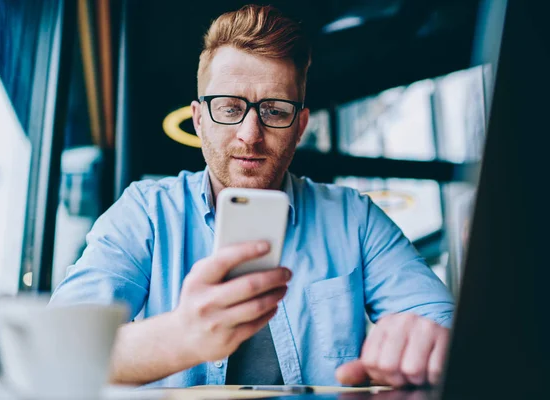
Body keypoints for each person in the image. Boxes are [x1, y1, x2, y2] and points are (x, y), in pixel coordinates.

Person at [50, 4, 454, 389]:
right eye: (228, 108)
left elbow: (447, 329)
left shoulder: (355, 218)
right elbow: (57, 351)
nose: (249, 134)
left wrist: (421, 344)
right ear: (198, 119)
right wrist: (181, 336)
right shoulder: (147, 212)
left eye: (275, 111)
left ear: (300, 126)